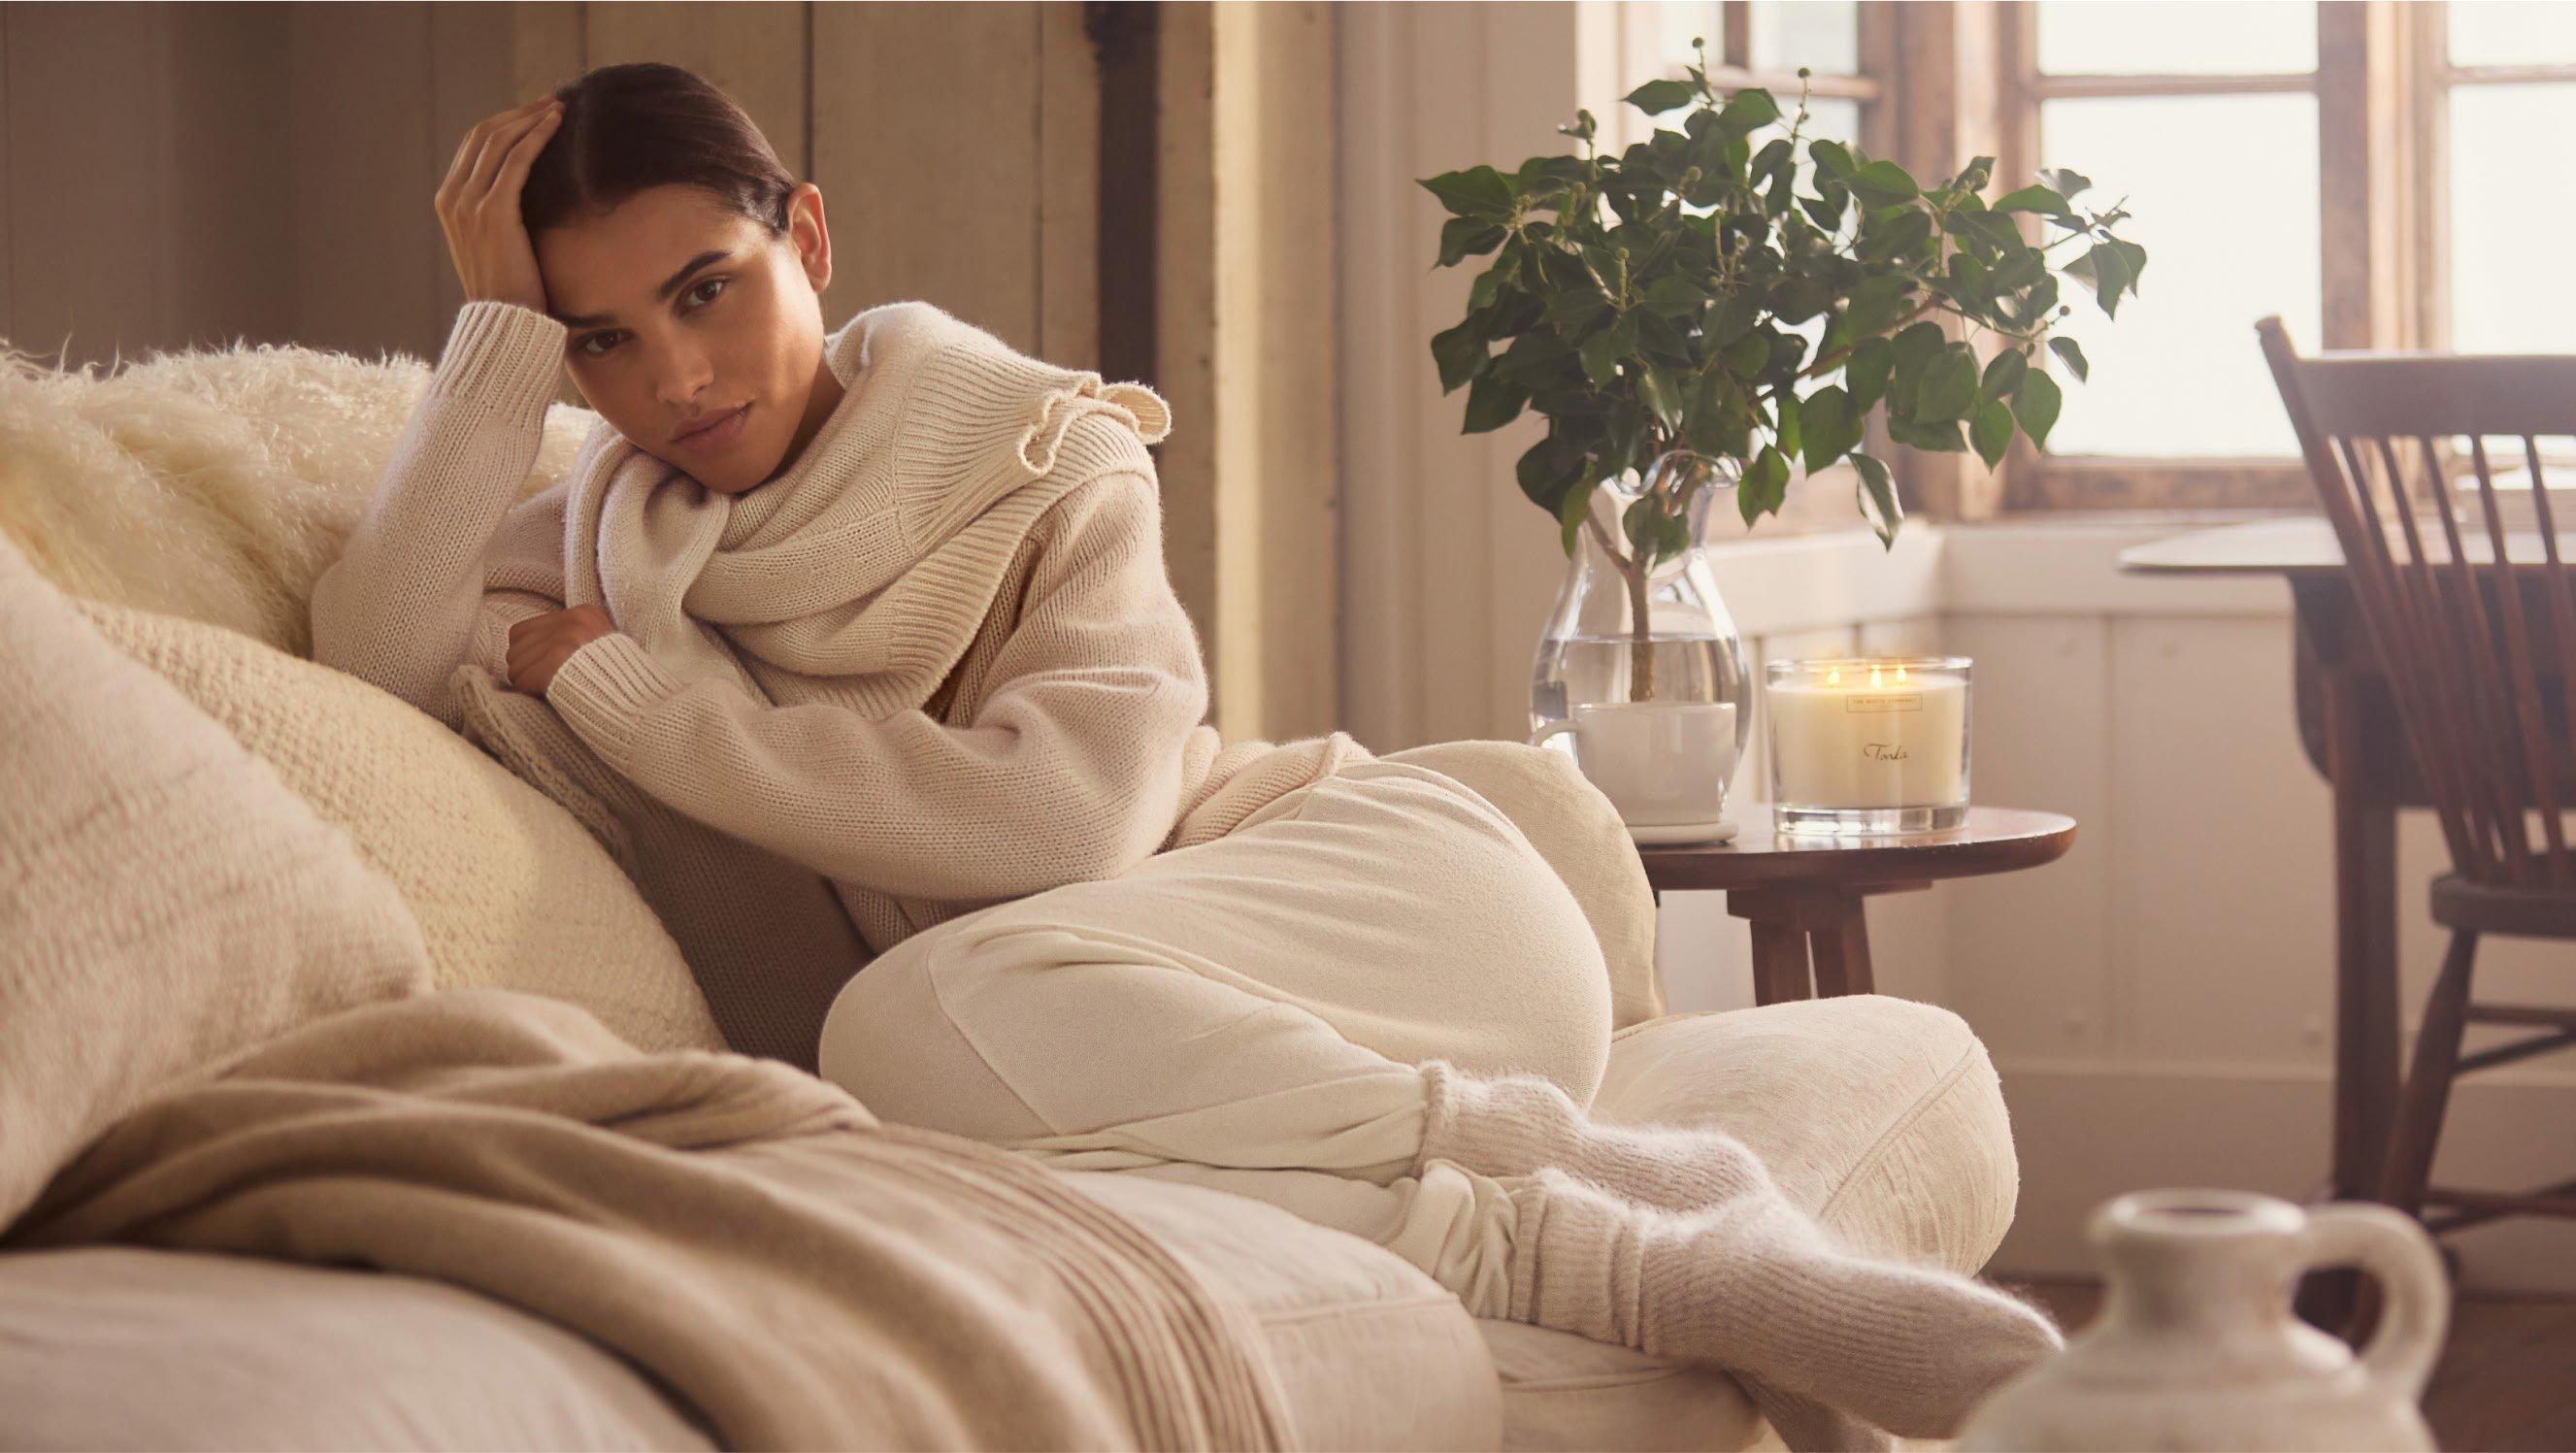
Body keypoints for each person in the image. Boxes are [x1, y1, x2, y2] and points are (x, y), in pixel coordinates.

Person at [309, 61, 2060, 1449]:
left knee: (897, 1028)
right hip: (1095, 1059)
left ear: (810, 240)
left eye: (709, 288)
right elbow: (372, 653)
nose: (678, 376)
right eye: (602, 336)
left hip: (1385, 920)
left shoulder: (1040, 453)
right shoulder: (617, 542)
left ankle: (1592, 1216)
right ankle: (1664, 1229)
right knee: (925, 1139)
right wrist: (497, 341)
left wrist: (642, 707)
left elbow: (1060, 822)